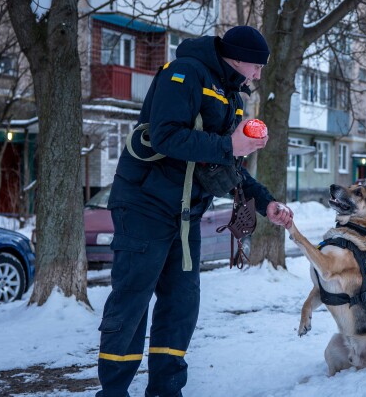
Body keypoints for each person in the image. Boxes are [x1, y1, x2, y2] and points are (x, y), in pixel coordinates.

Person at [96, 25, 293, 397]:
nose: (258, 75)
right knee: (132, 302)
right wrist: (229, 144)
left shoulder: (230, 96)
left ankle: (166, 390)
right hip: (145, 206)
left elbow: (228, 166)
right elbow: (166, 135)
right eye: (257, 67)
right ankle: (114, 392)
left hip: (186, 216)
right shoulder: (183, 73)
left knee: (181, 305)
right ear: (238, 57)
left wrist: (267, 204)